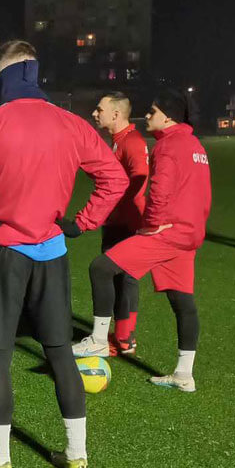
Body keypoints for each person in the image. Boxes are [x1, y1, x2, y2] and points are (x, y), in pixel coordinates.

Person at [0, 40, 128, 468]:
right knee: (60, 352)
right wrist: (81, 223)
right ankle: (76, 456)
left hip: (2, 253)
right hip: (52, 252)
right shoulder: (70, 122)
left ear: (1, 76)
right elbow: (114, 178)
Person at [74, 89, 211, 392]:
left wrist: (150, 226)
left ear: (168, 116)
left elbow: (159, 190)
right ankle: (184, 375)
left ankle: (99, 340)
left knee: (101, 268)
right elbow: (204, 192)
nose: (147, 116)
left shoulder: (167, 146)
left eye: (152, 111)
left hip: (166, 233)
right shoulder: (195, 145)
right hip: (188, 234)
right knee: (182, 301)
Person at [88, 92, 149, 355]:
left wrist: (116, 200)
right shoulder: (117, 141)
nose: (94, 113)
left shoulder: (132, 141)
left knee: (124, 278)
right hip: (115, 219)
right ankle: (123, 336)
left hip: (127, 222)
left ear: (115, 114)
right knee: (118, 278)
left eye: (99, 109)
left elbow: (141, 177)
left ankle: (124, 338)